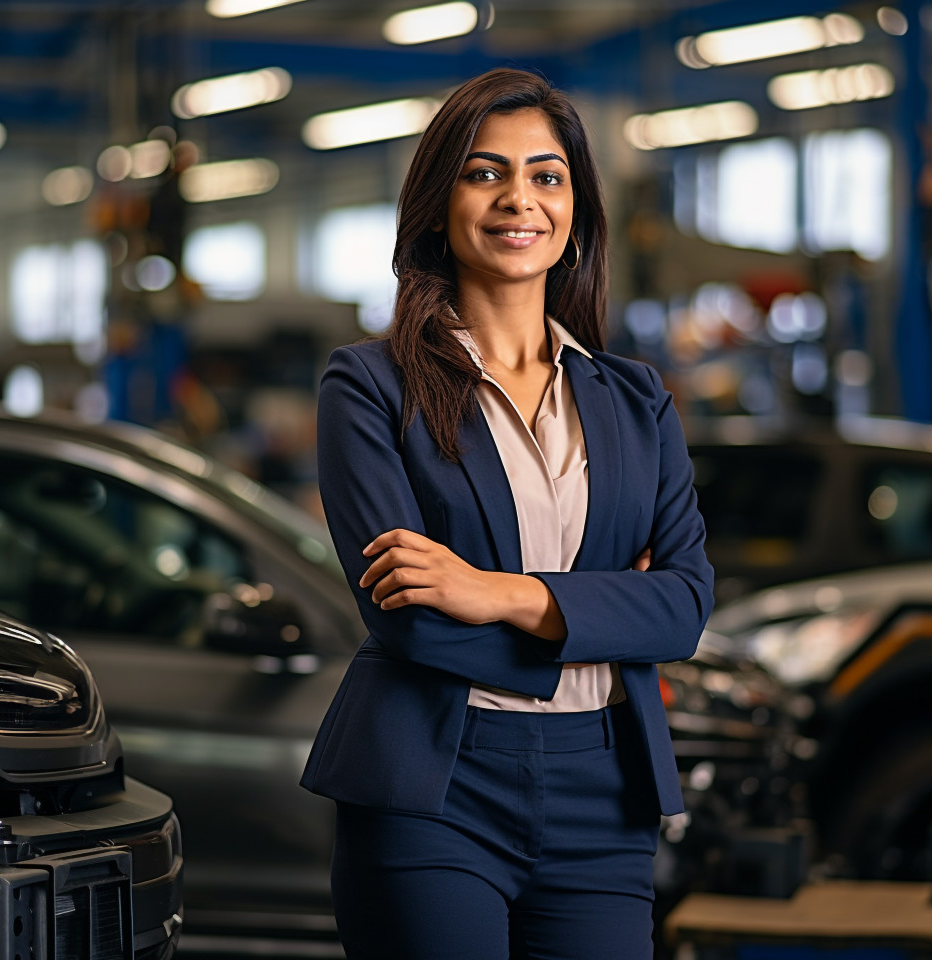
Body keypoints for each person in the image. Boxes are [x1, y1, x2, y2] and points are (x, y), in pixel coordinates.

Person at [300, 68, 714, 960]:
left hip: (604, 790)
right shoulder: (371, 387)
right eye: (485, 173)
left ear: (575, 214)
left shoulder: (636, 400)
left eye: (546, 176)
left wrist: (497, 592)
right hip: (434, 786)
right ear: (439, 206)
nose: (518, 198)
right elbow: (407, 621)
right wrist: (603, 614)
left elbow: (683, 606)